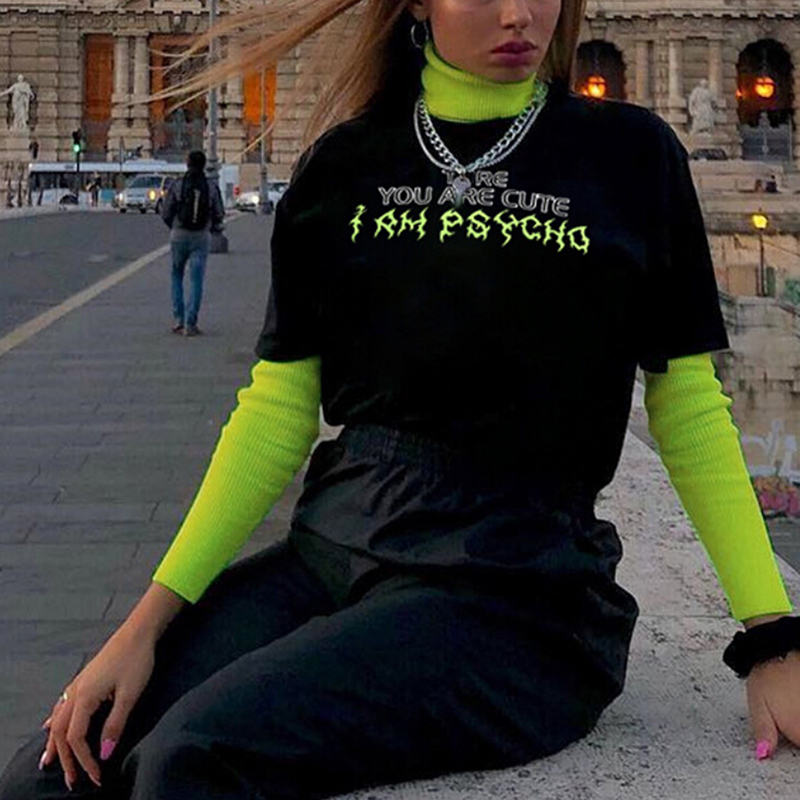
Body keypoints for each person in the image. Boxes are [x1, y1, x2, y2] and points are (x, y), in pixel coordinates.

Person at [2, 1, 799, 798]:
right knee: (52, 770)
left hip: (516, 587)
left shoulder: (631, 156)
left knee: (190, 759)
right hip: (336, 547)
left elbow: (688, 409)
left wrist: (771, 635)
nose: (519, 14)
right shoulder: (343, 162)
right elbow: (275, 411)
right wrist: (145, 625)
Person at [160, 150, 225, 336]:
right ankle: (191, 323)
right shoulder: (211, 187)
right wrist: (211, 226)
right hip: (201, 236)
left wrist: (174, 226)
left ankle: (178, 320)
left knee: (176, 275)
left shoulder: (178, 184)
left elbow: (166, 212)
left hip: (179, 234)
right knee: (196, 280)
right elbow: (219, 213)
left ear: (187, 164)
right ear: (204, 165)